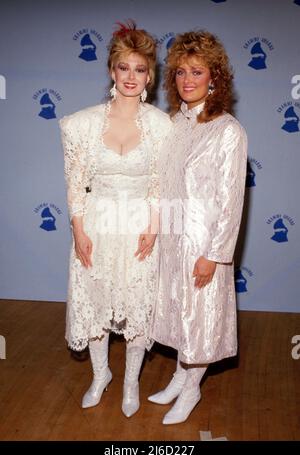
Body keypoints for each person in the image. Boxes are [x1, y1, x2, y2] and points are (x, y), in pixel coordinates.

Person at [59, 21, 172, 417]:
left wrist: (153, 228)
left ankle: (130, 384)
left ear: (149, 75)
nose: (131, 77)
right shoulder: (81, 124)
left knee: (137, 307)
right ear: (111, 69)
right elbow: (75, 185)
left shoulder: (162, 126)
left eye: (139, 69)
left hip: (140, 226)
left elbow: (161, 184)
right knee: (97, 303)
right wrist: (78, 229)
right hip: (97, 224)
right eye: (124, 67)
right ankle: (101, 374)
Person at [149, 30, 248, 424]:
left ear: (215, 78)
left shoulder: (228, 131)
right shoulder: (176, 124)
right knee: (178, 317)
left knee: (201, 321)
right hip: (173, 242)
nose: (187, 80)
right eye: (179, 72)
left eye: (197, 71)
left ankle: (191, 390)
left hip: (205, 246)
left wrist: (215, 255)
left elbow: (231, 201)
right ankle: (178, 377)